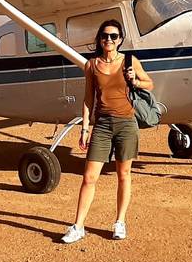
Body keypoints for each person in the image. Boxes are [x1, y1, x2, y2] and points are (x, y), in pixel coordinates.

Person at [61, 19, 153, 244]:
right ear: (99, 40)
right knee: (89, 177)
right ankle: (78, 226)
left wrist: (135, 81)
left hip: (126, 124)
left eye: (113, 36)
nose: (108, 40)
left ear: (120, 39)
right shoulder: (91, 65)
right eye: (104, 36)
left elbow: (149, 84)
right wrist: (84, 128)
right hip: (102, 125)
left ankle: (119, 222)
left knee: (124, 174)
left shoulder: (129, 61)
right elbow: (87, 98)